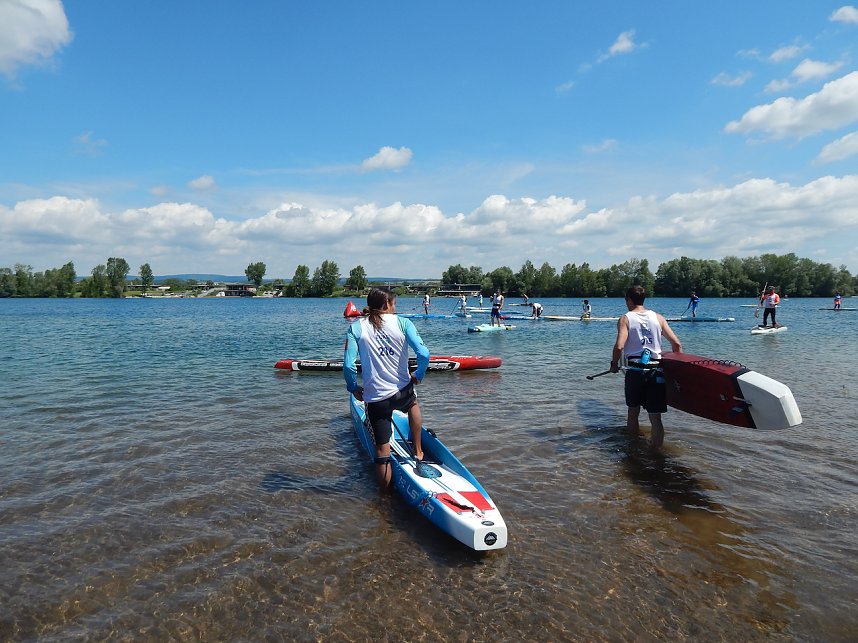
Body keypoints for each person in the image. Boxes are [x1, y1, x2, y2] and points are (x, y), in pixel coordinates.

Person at [344, 288, 430, 489]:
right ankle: (418, 451)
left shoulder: (357, 327)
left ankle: (382, 502)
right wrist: (418, 375)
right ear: (386, 305)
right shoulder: (403, 323)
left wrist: (352, 387)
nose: (394, 308)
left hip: (376, 400)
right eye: (394, 304)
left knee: (382, 454)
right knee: (413, 404)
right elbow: (424, 353)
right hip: (403, 392)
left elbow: (348, 365)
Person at [609, 285, 682, 449]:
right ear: (644, 299)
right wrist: (676, 372)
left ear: (628, 300)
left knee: (633, 413)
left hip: (635, 373)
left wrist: (614, 364)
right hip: (656, 372)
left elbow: (619, 347)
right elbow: (676, 344)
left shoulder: (625, 319)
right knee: (655, 418)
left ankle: (633, 450)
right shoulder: (659, 318)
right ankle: (657, 454)